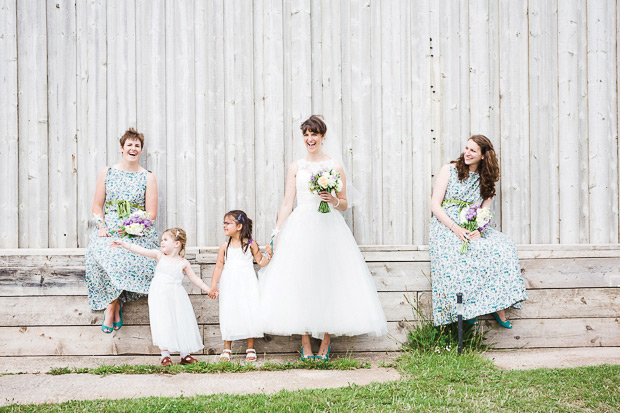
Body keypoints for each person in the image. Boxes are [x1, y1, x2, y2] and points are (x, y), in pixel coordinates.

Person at [259, 115, 387, 361]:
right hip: (301, 226)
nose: (310, 139)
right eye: (306, 135)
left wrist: (333, 200)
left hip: (329, 228)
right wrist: (276, 233)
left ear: (322, 136)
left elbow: (345, 204)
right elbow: (287, 203)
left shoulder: (335, 166)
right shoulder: (296, 167)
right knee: (301, 281)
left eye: (314, 134)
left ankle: (325, 341)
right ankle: (305, 341)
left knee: (329, 280)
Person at [429, 135, 528, 328]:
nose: (467, 153)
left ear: (483, 156)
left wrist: (479, 230)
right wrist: (455, 228)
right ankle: (467, 310)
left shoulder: (486, 179)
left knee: (503, 248)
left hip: (472, 224)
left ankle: (499, 306)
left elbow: (484, 211)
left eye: (473, 150)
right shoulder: (449, 170)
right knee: (460, 254)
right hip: (446, 225)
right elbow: (435, 205)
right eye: (466, 148)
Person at [85, 128, 158, 333]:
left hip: (137, 230)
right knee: (105, 255)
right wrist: (101, 226)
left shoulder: (148, 177)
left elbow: (151, 214)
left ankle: (112, 306)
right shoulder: (107, 172)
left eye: (137, 145)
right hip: (108, 229)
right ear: (122, 148)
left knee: (126, 256)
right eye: (130, 145)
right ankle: (116, 305)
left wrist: (131, 228)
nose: (133, 148)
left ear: (141, 150)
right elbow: (97, 206)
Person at [112, 228, 213, 366]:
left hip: (177, 295)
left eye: (165, 240)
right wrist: (125, 244)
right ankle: (165, 355)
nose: (162, 242)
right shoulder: (159, 255)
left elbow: (195, 279)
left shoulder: (183, 263)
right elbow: (141, 250)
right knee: (163, 321)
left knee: (180, 321)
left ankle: (185, 354)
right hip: (159, 294)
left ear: (177, 244)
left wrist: (209, 290)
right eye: (162, 240)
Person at [209, 210, 271, 362]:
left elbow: (261, 262)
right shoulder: (224, 246)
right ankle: (227, 348)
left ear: (239, 226)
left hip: (247, 283)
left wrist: (269, 254)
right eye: (224, 223)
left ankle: (250, 347)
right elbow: (218, 267)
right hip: (229, 284)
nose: (224, 226)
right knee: (228, 311)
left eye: (228, 223)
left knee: (249, 310)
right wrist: (213, 285)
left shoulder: (250, 244)